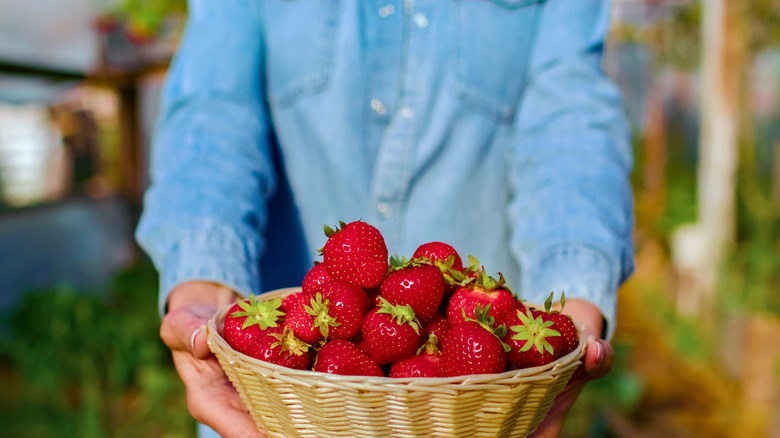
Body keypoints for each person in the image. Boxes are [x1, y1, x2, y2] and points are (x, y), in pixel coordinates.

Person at [136, 1, 634, 437]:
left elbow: (569, 121)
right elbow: (214, 110)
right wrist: (205, 286)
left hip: (474, 407)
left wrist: (570, 302)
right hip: (281, 398)